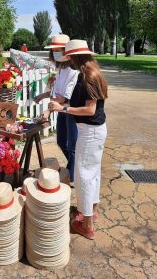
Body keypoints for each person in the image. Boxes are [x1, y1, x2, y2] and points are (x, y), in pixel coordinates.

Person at [48, 39, 108, 240]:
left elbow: (90, 109)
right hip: (94, 130)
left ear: (74, 56)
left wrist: (63, 108)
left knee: (84, 176)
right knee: (93, 174)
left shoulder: (87, 76)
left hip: (89, 131)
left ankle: (87, 224)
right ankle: (91, 212)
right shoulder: (90, 72)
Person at [34, 35, 79, 187]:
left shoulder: (73, 70)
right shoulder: (60, 68)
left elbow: (61, 97)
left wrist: (47, 113)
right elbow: (55, 91)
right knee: (61, 141)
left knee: (72, 145)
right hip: (61, 109)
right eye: (53, 51)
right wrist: (43, 95)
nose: (55, 53)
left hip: (71, 110)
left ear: (67, 51)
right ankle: (76, 166)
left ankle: (72, 176)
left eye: (58, 50)